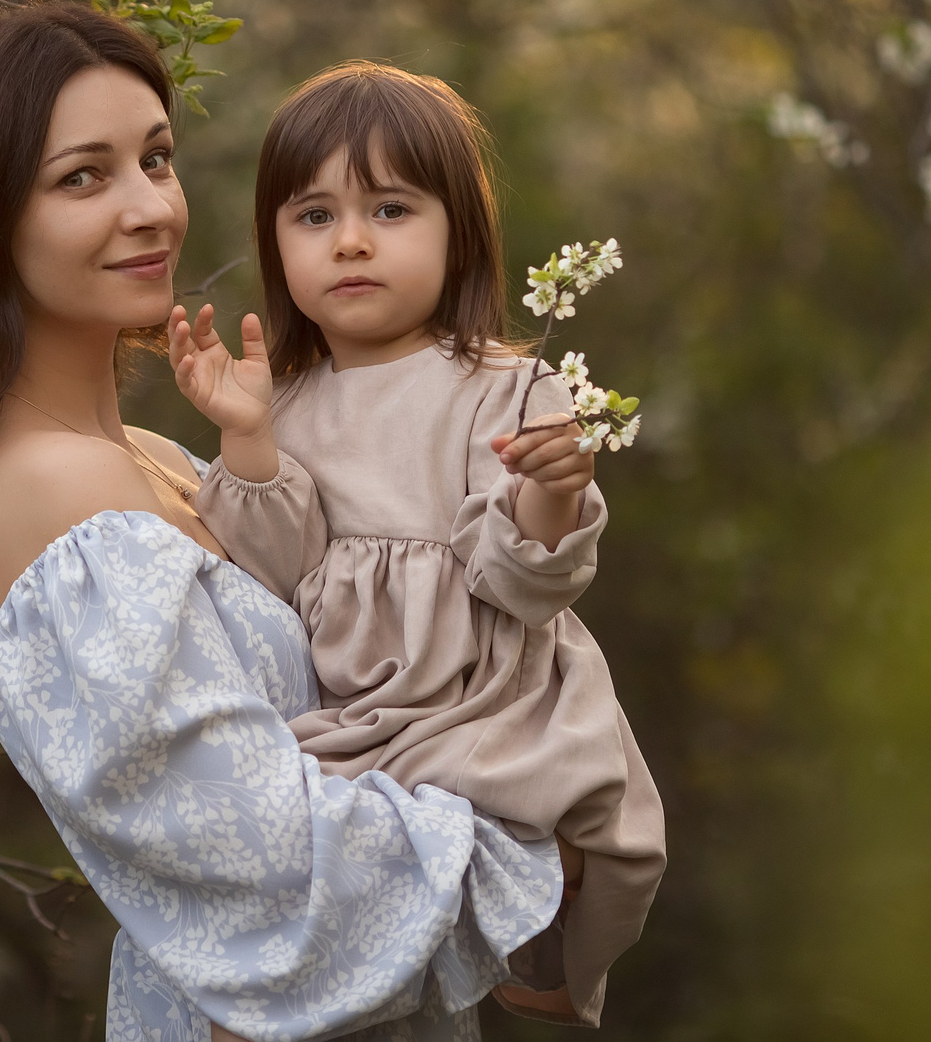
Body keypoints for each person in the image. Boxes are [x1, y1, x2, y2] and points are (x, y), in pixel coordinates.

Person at [0, 3, 565, 1041]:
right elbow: (266, 869)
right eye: (83, 177)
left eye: (155, 159)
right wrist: (525, 814)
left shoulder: (161, 462)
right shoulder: (39, 495)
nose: (150, 209)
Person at [169, 62, 667, 1026]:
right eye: (313, 216)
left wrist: (550, 494)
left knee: (599, 842)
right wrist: (247, 437)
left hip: (483, 700)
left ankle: (540, 953)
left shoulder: (504, 391)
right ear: (275, 243)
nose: (350, 240)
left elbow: (522, 586)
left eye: (391, 209)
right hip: (352, 715)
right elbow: (276, 577)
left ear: (458, 233)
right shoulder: (288, 402)